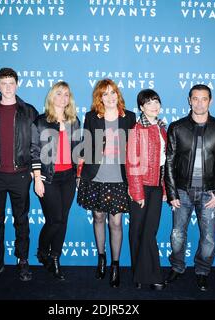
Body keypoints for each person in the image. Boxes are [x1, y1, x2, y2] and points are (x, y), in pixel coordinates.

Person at [165, 84, 215, 291]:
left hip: (210, 193)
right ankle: (177, 267)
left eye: (204, 99)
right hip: (182, 193)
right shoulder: (177, 127)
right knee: (177, 235)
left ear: (210, 101)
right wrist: (172, 192)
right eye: (195, 98)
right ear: (189, 100)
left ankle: (203, 271)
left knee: (209, 238)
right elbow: (169, 161)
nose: (200, 103)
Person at [0, 67, 38, 281]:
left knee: (21, 221)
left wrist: (32, 171)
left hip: (20, 175)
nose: (8, 87)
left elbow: (35, 144)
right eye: (3, 83)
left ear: (17, 84)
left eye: (11, 83)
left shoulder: (29, 111)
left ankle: (23, 262)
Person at [77, 79, 135, 288]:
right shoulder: (91, 117)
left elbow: (135, 147)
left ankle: (115, 264)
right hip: (96, 176)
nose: (110, 97)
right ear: (99, 97)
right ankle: (101, 258)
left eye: (113, 93)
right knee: (98, 217)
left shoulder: (129, 117)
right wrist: (79, 175)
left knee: (116, 223)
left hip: (119, 177)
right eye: (105, 94)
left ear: (117, 95)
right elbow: (85, 147)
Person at [31, 81, 82, 280]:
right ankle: (43, 250)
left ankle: (55, 258)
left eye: (67, 94)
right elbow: (34, 152)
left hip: (68, 177)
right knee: (55, 220)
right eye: (59, 94)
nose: (63, 98)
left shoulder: (74, 121)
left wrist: (79, 176)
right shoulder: (41, 121)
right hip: (48, 178)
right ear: (52, 97)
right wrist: (37, 179)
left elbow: (78, 151)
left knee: (63, 220)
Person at [126, 89, 167, 290]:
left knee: (149, 231)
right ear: (141, 107)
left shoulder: (162, 128)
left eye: (156, 101)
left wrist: (166, 188)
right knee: (137, 231)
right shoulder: (137, 129)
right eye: (149, 103)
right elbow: (132, 163)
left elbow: (165, 163)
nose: (154, 106)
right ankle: (146, 275)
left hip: (157, 187)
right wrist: (137, 192)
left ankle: (143, 274)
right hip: (141, 186)